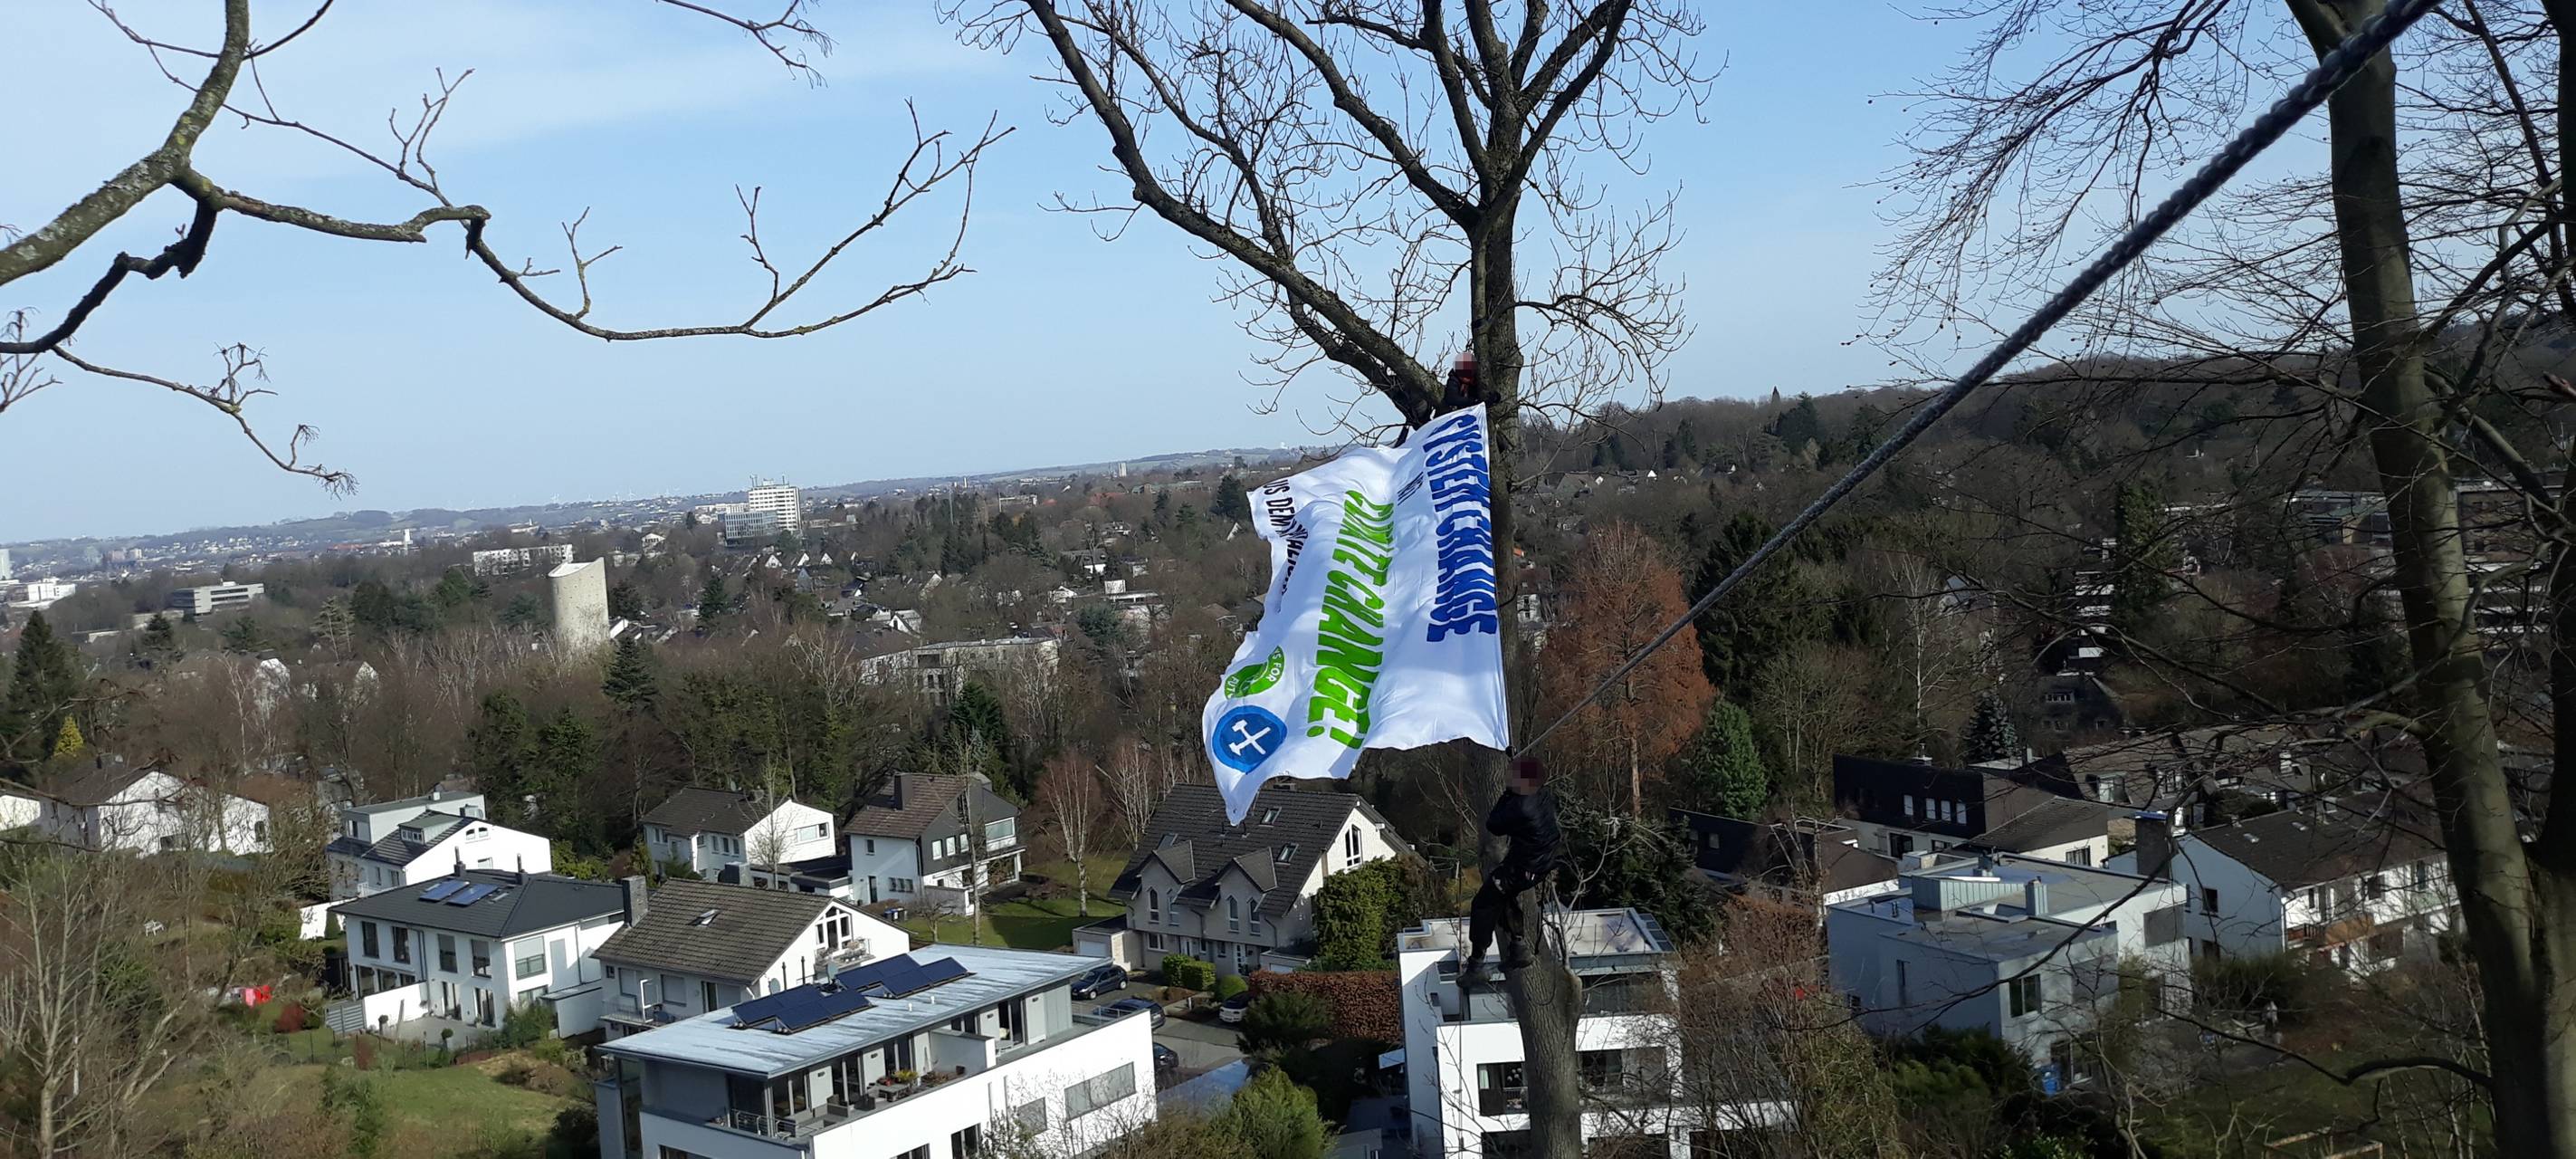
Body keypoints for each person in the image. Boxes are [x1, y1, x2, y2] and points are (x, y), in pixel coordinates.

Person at [1461, 757, 1560, 979]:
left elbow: (1494, 824)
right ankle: (1518, 947)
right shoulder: (1543, 794)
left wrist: (1506, 794)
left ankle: (1477, 963)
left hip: (1524, 868)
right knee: (1503, 896)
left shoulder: (1520, 806)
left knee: (1483, 904)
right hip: (1541, 863)